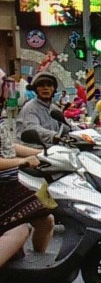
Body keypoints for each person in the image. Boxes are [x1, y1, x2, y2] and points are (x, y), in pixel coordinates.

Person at [0, 69, 54, 258]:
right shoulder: (30, 107)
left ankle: (38, 263)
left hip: (10, 182)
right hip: (2, 188)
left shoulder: (2, 113)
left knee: (45, 220)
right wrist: (22, 161)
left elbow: (9, 146)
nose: (8, 91)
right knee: (20, 231)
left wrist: (43, 154)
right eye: (4, 85)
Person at [16, 72, 65, 145]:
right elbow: (32, 127)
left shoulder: (54, 108)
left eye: (49, 85)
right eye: (41, 85)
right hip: (33, 149)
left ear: (54, 89)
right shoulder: (30, 107)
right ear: (35, 89)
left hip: (53, 148)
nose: (46, 88)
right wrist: (53, 136)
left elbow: (65, 124)